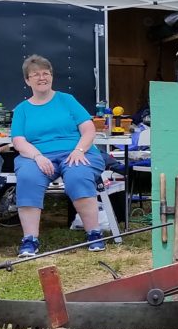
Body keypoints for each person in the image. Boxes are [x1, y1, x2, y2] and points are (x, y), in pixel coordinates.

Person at [10, 54, 106, 258]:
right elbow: (18, 141)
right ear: (27, 80)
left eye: (46, 73)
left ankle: (94, 234)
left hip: (76, 151)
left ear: (52, 76)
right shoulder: (22, 110)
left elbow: (89, 129)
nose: (42, 78)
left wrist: (79, 150)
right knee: (28, 177)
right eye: (35, 74)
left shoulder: (67, 100)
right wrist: (37, 157)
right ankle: (30, 240)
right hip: (37, 155)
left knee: (78, 175)